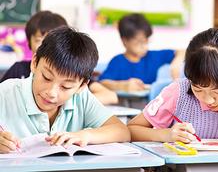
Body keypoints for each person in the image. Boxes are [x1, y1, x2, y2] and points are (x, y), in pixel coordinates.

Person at [0, 27, 130, 153]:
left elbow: (122, 131)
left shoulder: (81, 97)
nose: (51, 93)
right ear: (34, 63)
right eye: (46, 77)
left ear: (82, 85)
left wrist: (85, 135)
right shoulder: (5, 93)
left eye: (65, 87)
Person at [128, 28, 218, 143]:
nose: (208, 100)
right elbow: (131, 129)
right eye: (198, 89)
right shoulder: (177, 93)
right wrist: (165, 135)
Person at [0, 10, 118, 104]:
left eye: (65, 87)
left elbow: (110, 96)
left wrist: (66, 101)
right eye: (39, 40)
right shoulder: (18, 69)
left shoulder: (72, 76)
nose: (45, 46)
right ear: (29, 43)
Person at [99, 13, 185, 92]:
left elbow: (183, 51)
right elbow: (103, 82)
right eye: (139, 42)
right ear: (124, 40)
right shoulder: (118, 62)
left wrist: (177, 61)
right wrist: (122, 86)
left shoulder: (153, 57)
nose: (144, 46)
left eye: (146, 41)